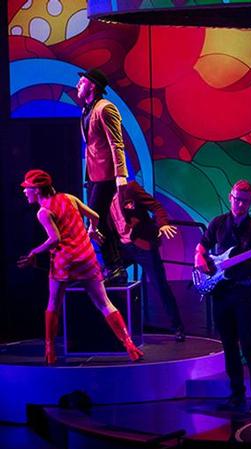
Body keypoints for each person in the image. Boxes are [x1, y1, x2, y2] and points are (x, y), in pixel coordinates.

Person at [18, 169, 144, 364]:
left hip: (65, 262)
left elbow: (54, 239)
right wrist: (92, 230)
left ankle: (50, 351)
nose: (25, 192)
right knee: (104, 304)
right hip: (86, 258)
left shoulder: (43, 212)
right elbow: (95, 216)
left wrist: (34, 252)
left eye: (27, 188)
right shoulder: (69, 198)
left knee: (53, 304)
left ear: (37, 190)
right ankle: (129, 345)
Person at [194, 180, 251, 414]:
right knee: (229, 346)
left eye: (245, 201)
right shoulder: (218, 223)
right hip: (221, 293)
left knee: (249, 345)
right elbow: (201, 248)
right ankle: (236, 395)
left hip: (245, 292)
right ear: (230, 197)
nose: (240, 204)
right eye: (237, 199)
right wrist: (199, 260)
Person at [108, 180, 184, 341]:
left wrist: (162, 224)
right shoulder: (102, 200)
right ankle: (120, 328)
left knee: (160, 285)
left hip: (142, 244)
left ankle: (177, 326)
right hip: (122, 248)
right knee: (109, 280)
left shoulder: (130, 189)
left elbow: (156, 206)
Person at [77, 68, 129, 280]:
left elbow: (116, 143)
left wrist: (121, 174)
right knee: (103, 222)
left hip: (107, 175)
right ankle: (116, 266)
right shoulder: (86, 110)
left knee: (94, 220)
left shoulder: (105, 108)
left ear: (93, 85)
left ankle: (116, 264)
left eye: (82, 82)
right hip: (94, 175)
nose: (78, 85)